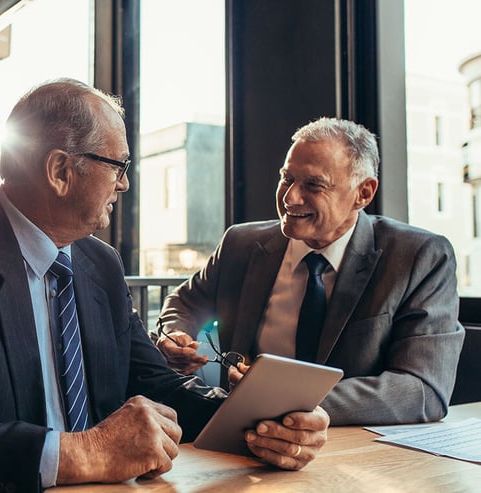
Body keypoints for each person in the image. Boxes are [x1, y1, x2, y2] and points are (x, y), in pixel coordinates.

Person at [0, 79, 329, 493]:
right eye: (118, 166)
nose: (125, 185)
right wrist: (81, 454)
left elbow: (156, 383)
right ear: (61, 171)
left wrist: (260, 427)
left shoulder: (101, 264)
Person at [156, 117, 465, 426]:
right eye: (286, 178)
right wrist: (175, 335)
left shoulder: (418, 256)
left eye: (313, 185)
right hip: (243, 437)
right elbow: (185, 301)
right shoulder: (241, 243)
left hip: (354, 450)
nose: (290, 197)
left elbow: (423, 389)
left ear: (364, 193)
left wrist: (283, 397)